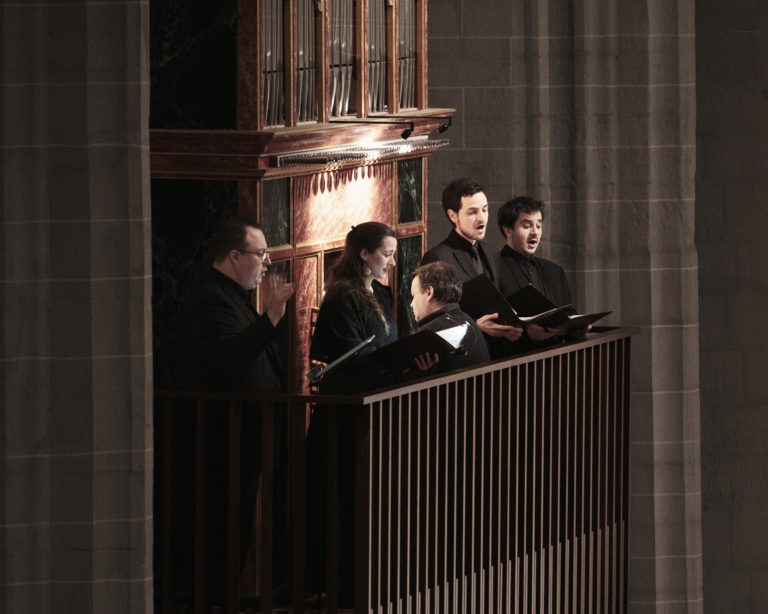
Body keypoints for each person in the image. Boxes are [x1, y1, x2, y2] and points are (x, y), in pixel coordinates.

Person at [167, 217, 295, 610]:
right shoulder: (210, 298)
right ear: (236, 256)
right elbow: (226, 360)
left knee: (235, 535)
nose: (267, 263)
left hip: (243, 440)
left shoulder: (232, 295)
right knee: (220, 537)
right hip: (221, 442)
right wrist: (270, 318)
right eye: (261, 254)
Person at [421, 177, 522, 355]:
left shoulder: (492, 252)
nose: (481, 218)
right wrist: (475, 326)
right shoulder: (437, 259)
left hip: (498, 354)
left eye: (485, 210)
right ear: (453, 215)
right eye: (472, 212)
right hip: (464, 359)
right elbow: (434, 324)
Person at [309, 221, 399, 394]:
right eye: (387, 254)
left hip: (379, 391)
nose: (393, 262)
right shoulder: (342, 295)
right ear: (365, 253)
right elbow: (353, 353)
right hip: (351, 396)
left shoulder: (380, 291)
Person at [496, 196, 587, 352]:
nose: (535, 232)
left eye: (538, 226)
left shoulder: (554, 270)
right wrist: (527, 334)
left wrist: (576, 328)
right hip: (515, 363)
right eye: (527, 226)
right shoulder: (495, 268)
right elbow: (494, 326)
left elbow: (568, 312)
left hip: (556, 359)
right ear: (508, 230)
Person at [408, 261, 490, 374]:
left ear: (429, 292)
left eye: (414, 296)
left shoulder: (428, 334)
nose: (411, 304)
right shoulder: (467, 320)